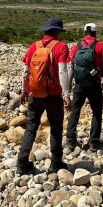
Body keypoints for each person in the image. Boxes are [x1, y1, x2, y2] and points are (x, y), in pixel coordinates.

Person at [17, 18, 71, 175]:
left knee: (31, 127)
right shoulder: (61, 47)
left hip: (35, 93)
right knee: (56, 128)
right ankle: (56, 162)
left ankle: (22, 162)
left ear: (45, 31)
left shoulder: (34, 46)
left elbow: (26, 70)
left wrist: (24, 91)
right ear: (57, 32)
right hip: (53, 95)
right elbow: (62, 71)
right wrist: (66, 94)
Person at [66, 23, 103, 152]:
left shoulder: (76, 47)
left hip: (79, 84)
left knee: (75, 110)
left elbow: (71, 68)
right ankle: (94, 141)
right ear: (95, 33)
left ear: (84, 32)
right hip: (94, 83)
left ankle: (70, 140)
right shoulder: (100, 45)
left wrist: (68, 88)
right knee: (96, 112)